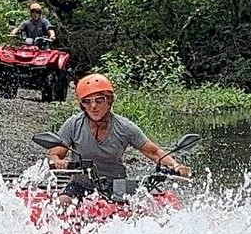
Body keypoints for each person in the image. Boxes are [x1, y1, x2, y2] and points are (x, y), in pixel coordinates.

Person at [48, 73, 190, 203]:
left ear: (109, 101)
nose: (93, 106)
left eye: (99, 100)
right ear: (82, 105)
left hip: (116, 186)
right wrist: (59, 162)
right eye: (87, 101)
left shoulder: (124, 127)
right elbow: (55, 153)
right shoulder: (73, 124)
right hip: (81, 184)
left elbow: (154, 152)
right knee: (62, 201)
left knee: (136, 209)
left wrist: (175, 165)